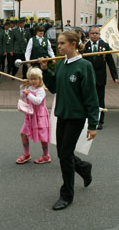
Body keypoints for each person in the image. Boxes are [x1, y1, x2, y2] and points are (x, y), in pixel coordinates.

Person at [40, 30, 99, 210]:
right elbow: (55, 88)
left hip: (76, 117)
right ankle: (83, 168)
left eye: (62, 43)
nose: (58, 47)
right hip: (62, 114)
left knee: (65, 154)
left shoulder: (84, 66)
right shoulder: (61, 64)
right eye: (58, 43)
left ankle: (66, 195)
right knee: (63, 152)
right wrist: (45, 71)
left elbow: (91, 97)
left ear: (73, 44)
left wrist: (93, 124)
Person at [84, 26, 118, 130]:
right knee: (88, 99)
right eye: (92, 33)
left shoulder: (105, 46)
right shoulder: (85, 46)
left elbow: (110, 62)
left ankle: (100, 120)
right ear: (89, 35)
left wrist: (114, 76)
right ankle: (88, 118)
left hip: (100, 78)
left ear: (99, 35)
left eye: (96, 33)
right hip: (88, 78)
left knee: (100, 100)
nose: (94, 35)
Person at [16, 67, 51, 164]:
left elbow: (37, 101)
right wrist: (23, 87)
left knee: (42, 137)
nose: (33, 81)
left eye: (36, 79)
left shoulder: (41, 90)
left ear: (40, 79)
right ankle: (26, 154)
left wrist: (28, 94)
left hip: (40, 116)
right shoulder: (29, 88)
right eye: (31, 79)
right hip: (30, 116)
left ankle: (46, 155)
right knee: (23, 133)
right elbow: (22, 96)